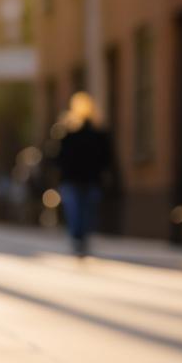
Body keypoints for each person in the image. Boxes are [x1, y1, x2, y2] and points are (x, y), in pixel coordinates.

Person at [54, 92, 113, 256]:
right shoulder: (93, 133)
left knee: (77, 210)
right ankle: (81, 238)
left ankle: (79, 238)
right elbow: (107, 157)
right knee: (85, 210)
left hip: (75, 178)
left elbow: (59, 157)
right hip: (87, 178)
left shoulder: (70, 133)